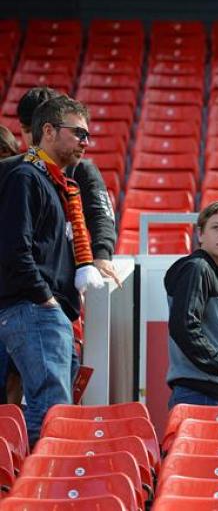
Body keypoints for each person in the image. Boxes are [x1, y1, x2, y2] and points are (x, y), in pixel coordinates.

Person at [0, 95, 98, 444]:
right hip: (35, 308)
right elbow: (14, 249)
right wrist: (45, 299)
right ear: (48, 131)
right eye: (79, 134)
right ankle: (45, 495)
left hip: (41, 311)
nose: (86, 143)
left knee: (50, 410)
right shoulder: (26, 176)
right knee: (52, 412)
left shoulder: (54, 183)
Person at [16, 87, 118, 284]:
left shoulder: (81, 170)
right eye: (26, 130)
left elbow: (101, 214)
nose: (31, 137)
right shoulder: (15, 170)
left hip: (65, 276)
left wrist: (102, 254)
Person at [165, 201, 218, 408]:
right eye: (216, 227)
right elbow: (183, 325)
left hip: (212, 393)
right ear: (200, 234)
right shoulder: (197, 268)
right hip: (204, 393)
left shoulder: (208, 273)